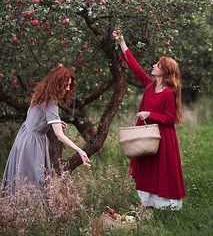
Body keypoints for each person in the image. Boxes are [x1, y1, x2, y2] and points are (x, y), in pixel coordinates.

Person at [112, 30, 186, 210]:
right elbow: (134, 66)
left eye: (158, 65)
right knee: (148, 168)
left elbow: (170, 119)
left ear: (164, 72)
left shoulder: (169, 93)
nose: (153, 65)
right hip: (147, 135)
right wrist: (121, 41)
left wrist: (149, 114)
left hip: (164, 138)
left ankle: (166, 206)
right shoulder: (149, 85)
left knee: (162, 171)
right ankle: (148, 203)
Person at [2, 65, 91, 194]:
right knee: (34, 182)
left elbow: (32, 115)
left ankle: (16, 209)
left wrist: (53, 121)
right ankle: (29, 211)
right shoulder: (51, 103)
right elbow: (59, 136)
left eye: (69, 85)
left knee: (20, 178)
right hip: (32, 144)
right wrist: (79, 150)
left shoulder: (40, 93)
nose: (67, 88)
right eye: (65, 84)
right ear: (57, 82)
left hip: (24, 136)